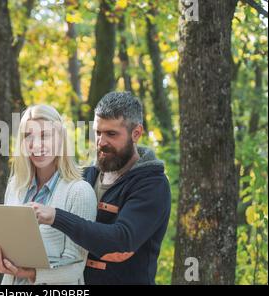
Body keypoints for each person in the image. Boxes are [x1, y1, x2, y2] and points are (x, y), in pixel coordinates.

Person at [31, 92, 171, 284]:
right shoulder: (86, 175)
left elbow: (121, 242)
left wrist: (56, 217)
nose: (101, 142)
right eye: (98, 132)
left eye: (111, 134)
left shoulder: (153, 185)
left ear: (136, 133)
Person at [0, 104, 97, 285]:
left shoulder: (79, 192)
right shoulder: (16, 187)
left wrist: (30, 273)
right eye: (28, 136)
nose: (36, 145)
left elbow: (75, 268)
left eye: (45, 135)